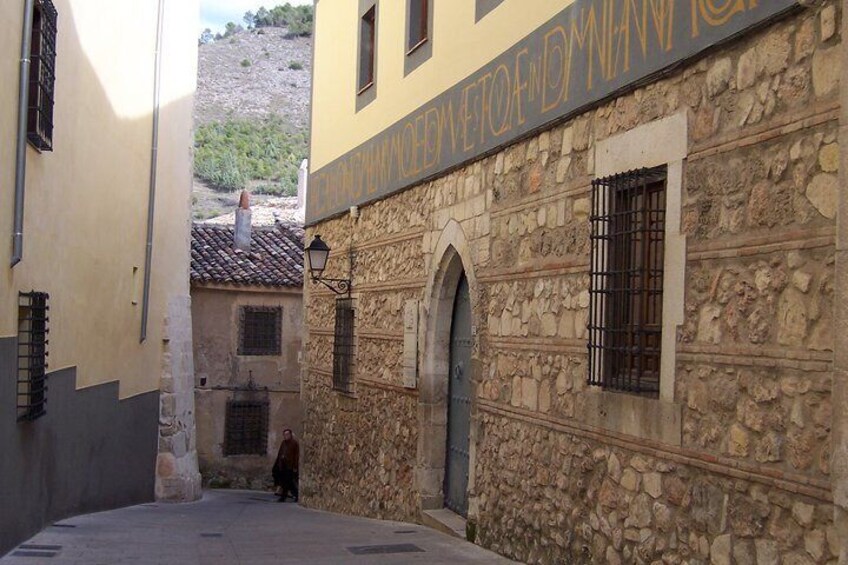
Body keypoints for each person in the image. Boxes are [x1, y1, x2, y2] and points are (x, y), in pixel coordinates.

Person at [272, 428, 299, 502]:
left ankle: (293, 496)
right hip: (282, 465)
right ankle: (285, 497)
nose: (286, 436)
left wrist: (295, 466)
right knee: (285, 482)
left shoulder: (294, 443)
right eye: (285, 434)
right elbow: (280, 453)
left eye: (287, 434)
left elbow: (296, 456)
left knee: (289, 482)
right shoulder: (283, 443)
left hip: (290, 466)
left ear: (290, 435)